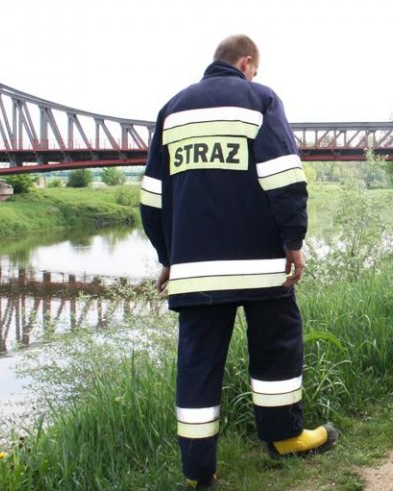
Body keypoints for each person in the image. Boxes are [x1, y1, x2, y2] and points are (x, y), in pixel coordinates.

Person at [140, 34, 338, 489]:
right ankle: (285, 437)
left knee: (197, 362)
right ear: (247, 63)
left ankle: (198, 470)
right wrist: (293, 239)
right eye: (255, 67)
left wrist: (167, 256)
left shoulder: (171, 109)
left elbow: (152, 196)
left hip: (192, 269)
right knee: (277, 343)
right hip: (259, 262)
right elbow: (283, 174)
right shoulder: (259, 98)